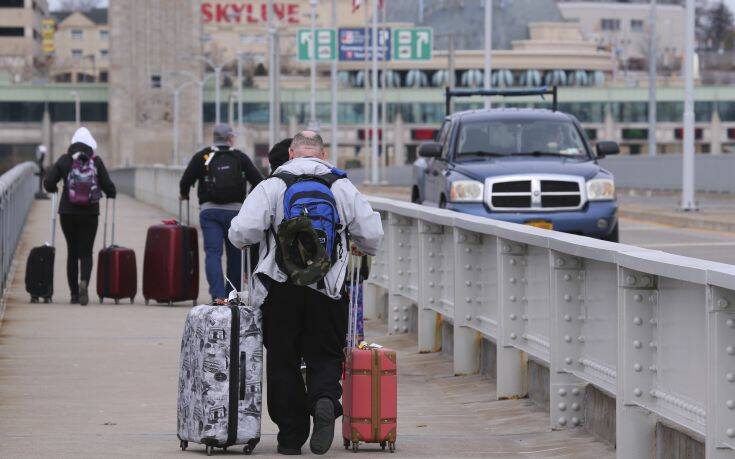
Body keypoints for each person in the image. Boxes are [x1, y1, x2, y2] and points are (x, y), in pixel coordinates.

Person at [228, 131, 383, 455]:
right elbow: (372, 236)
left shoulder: (273, 185)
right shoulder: (340, 186)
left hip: (281, 287)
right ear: (323, 154)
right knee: (324, 353)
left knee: (283, 359)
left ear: (292, 153)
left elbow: (243, 231)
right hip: (328, 287)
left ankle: (290, 436)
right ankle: (325, 400)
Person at [179, 124, 263, 301]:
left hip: (209, 212)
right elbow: (258, 181)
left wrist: (184, 194)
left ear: (214, 137)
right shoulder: (239, 157)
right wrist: (247, 200)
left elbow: (185, 180)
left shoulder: (204, 156)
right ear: (230, 138)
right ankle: (231, 296)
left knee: (213, 253)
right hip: (236, 214)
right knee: (235, 256)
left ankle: (217, 296)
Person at [44, 127, 116, 306]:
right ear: (91, 144)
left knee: (72, 252)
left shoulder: (65, 159)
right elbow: (109, 186)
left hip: (67, 213)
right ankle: (84, 281)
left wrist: (54, 189)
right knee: (86, 252)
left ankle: (74, 295)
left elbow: (48, 182)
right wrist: (111, 193)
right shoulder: (96, 161)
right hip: (90, 213)